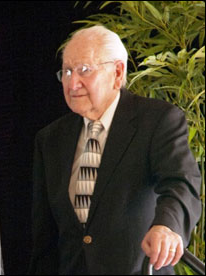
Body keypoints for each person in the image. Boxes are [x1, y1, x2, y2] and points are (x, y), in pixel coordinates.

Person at [29, 26, 201, 274]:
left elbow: (181, 183)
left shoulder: (157, 120)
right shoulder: (50, 139)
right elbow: (45, 238)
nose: (72, 82)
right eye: (66, 72)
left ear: (117, 72)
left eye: (84, 70)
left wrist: (167, 226)